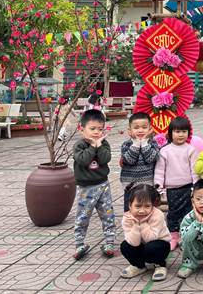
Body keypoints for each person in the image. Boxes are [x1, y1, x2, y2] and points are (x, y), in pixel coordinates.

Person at [72, 109, 116, 260]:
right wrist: (92, 147)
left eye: (100, 129)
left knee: (107, 214)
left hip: (103, 185)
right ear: (82, 129)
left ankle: (109, 242)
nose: (97, 132)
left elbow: (105, 159)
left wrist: (99, 145)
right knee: (83, 216)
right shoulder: (79, 145)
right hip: (85, 188)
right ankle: (79, 244)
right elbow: (83, 160)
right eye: (92, 129)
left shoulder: (104, 144)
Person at [154, 116, 198, 251]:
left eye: (184, 131)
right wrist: (158, 186)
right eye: (177, 131)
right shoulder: (165, 151)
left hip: (188, 188)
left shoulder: (191, 149)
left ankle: (186, 237)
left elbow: (195, 170)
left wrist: (196, 186)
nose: (180, 135)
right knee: (173, 213)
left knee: (188, 213)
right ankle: (173, 237)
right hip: (172, 189)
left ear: (188, 133)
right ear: (171, 133)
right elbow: (160, 170)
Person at [120, 184, 170, 281]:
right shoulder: (127, 218)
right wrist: (135, 226)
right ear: (130, 205)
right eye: (138, 206)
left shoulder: (157, 215)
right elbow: (133, 243)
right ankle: (138, 266)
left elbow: (151, 238)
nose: (142, 211)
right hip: (140, 244)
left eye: (147, 206)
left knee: (153, 247)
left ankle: (160, 265)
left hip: (159, 244)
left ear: (152, 205)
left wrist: (141, 223)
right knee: (125, 246)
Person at [120, 112, 160, 211]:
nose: (140, 130)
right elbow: (130, 160)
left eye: (144, 127)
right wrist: (137, 144)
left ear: (150, 129)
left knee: (148, 209)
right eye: (136, 128)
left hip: (148, 185)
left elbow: (151, 158)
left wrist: (145, 142)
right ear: (130, 130)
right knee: (130, 210)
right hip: (130, 186)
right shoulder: (126, 144)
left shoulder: (153, 143)